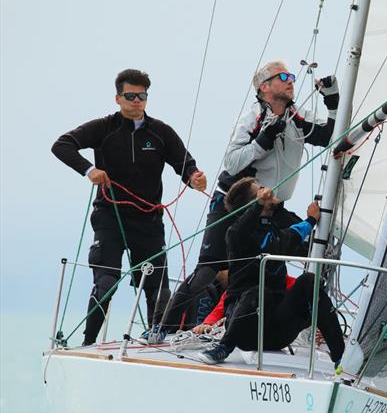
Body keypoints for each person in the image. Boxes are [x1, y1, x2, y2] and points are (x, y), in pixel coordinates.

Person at [157, 60, 338, 334]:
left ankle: (312, 328)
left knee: (317, 252)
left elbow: (329, 136)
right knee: (209, 268)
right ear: (264, 87)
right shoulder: (252, 118)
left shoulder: (298, 116)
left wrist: (332, 100)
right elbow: (232, 163)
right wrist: (264, 139)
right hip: (235, 203)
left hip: (272, 207)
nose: (291, 80)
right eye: (284, 76)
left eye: (292, 76)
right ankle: (163, 329)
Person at [52, 68, 207, 346]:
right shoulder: (103, 128)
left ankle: (155, 344)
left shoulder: (161, 132)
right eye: (131, 95)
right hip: (109, 216)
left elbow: (184, 163)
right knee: (106, 283)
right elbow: (62, 145)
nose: (137, 101)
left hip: (148, 219)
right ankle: (88, 344)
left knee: (157, 289)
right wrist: (89, 170)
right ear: (118, 98)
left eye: (142, 96)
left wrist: (194, 177)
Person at [199, 178, 344, 365]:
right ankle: (223, 348)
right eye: (259, 189)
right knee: (259, 291)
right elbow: (238, 231)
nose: (267, 189)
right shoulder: (237, 236)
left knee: (309, 281)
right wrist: (259, 204)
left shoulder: (274, 232)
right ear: (252, 203)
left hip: (278, 332)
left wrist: (311, 220)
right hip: (246, 331)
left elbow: (294, 234)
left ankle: (340, 357)